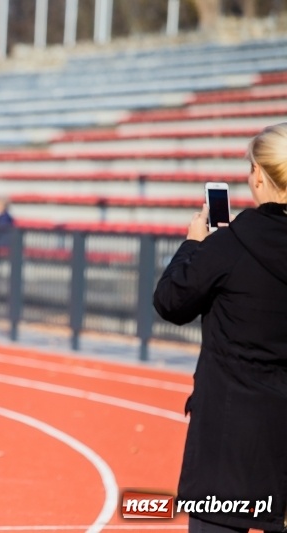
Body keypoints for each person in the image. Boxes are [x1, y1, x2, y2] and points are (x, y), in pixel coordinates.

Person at [153, 123, 287, 533]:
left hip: (228, 435)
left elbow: (170, 302)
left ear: (259, 177)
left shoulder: (230, 245)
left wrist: (195, 245)